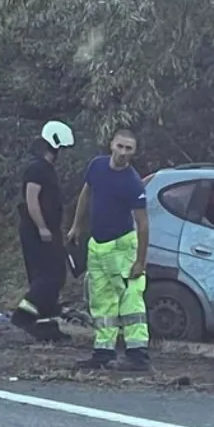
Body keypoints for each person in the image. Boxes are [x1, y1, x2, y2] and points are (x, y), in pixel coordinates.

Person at [67, 128, 151, 371]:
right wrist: (76, 225)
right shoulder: (97, 166)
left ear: (133, 153)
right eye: (120, 146)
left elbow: (143, 224)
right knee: (102, 301)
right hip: (98, 245)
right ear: (111, 145)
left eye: (129, 149)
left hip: (123, 247)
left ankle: (138, 355)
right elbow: (86, 193)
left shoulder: (132, 182)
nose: (123, 152)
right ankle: (103, 351)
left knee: (130, 301)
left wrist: (140, 261)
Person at [10, 120, 75, 341]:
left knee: (56, 274)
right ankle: (23, 316)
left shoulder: (47, 169)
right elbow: (31, 199)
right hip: (37, 231)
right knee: (48, 276)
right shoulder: (37, 168)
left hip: (48, 230)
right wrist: (42, 228)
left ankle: (45, 322)